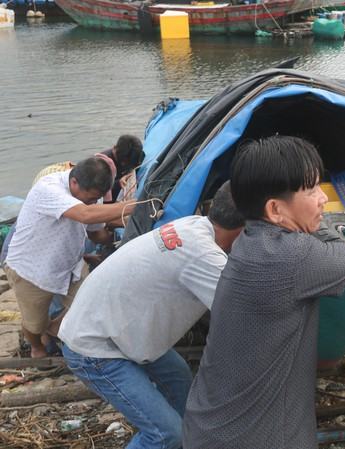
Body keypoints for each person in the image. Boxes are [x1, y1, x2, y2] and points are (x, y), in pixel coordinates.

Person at [182, 135, 345, 449]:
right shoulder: (291, 257)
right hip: (247, 439)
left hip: (212, 424)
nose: (323, 199)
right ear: (276, 209)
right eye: (311, 190)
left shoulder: (253, 241)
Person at [58, 182, 244, 449]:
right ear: (246, 228)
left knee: (181, 385)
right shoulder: (205, 256)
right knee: (164, 434)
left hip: (118, 331)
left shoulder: (195, 225)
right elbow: (247, 317)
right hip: (95, 348)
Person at [3, 157, 134, 358]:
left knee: (91, 304)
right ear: (74, 183)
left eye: (95, 199)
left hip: (70, 266)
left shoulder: (91, 196)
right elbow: (85, 215)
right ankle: (37, 347)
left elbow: (95, 232)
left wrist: (122, 232)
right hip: (31, 271)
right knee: (34, 323)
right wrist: (135, 205)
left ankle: (56, 329)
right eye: (90, 198)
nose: (93, 201)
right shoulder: (48, 187)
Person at [96, 134, 145, 203]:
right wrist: (118, 183)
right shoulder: (101, 165)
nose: (125, 165)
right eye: (123, 162)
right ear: (114, 149)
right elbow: (97, 190)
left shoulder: (135, 156)